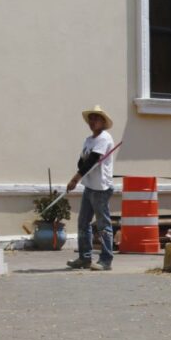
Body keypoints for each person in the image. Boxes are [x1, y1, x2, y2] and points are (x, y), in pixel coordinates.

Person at [66, 105, 116, 271]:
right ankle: (85, 257)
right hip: (89, 185)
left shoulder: (105, 138)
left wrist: (75, 178)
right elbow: (82, 161)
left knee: (103, 224)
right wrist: (80, 173)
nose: (92, 121)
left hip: (101, 187)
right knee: (83, 222)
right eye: (91, 119)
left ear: (103, 121)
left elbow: (93, 160)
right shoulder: (89, 140)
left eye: (96, 118)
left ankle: (106, 259)